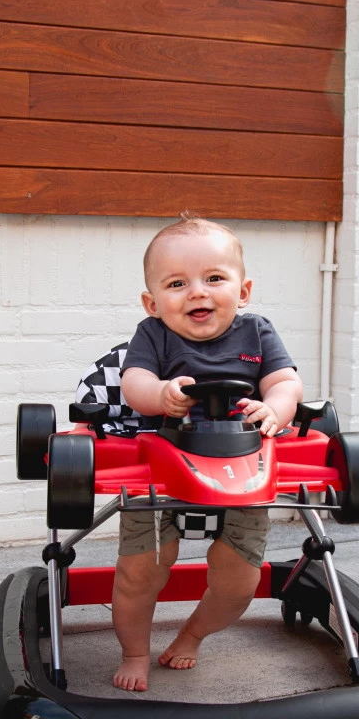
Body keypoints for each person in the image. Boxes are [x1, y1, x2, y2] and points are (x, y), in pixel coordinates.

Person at [112, 213, 303, 692]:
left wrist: (275, 409)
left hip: (245, 466)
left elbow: (285, 382)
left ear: (243, 290)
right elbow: (133, 383)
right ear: (152, 302)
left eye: (214, 278)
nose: (197, 292)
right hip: (162, 467)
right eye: (177, 284)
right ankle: (134, 652)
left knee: (239, 582)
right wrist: (160, 394)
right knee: (139, 573)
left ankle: (193, 634)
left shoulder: (257, 331)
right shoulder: (153, 334)